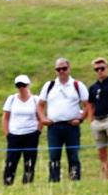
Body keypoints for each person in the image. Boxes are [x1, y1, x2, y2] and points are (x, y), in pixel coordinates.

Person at [38, 55, 89, 183]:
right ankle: (54, 181)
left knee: (73, 155)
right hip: (54, 126)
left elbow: (87, 105)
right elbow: (40, 105)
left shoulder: (77, 85)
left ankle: (75, 181)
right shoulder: (49, 85)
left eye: (64, 68)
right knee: (54, 155)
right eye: (58, 69)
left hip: (71, 126)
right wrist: (43, 118)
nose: (61, 71)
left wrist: (80, 119)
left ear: (69, 68)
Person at [2, 73, 42, 186]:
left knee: (29, 162)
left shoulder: (35, 100)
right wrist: (8, 134)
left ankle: (27, 184)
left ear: (28, 85)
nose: (21, 88)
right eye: (18, 85)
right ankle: (8, 182)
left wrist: (37, 132)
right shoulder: (11, 99)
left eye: (23, 85)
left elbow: (40, 117)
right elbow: (5, 118)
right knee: (11, 161)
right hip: (14, 135)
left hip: (30, 135)